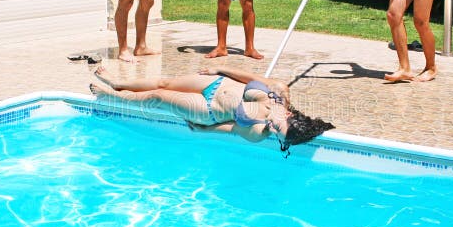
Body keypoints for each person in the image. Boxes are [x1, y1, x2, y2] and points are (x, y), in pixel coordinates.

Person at [89, 65, 334, 156]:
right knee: (164, 82)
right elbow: (249, 76)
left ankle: (114, 97)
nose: (271, 129)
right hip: (216, 84)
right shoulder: (280, 91)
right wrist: (221, 68)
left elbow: (232, 129)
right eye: (277, 127)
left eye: (276, 134)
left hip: (208, 110)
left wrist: (205, 129)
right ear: (289, 115)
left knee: (158, 96)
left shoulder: (260, 132)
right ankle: (119, 83)